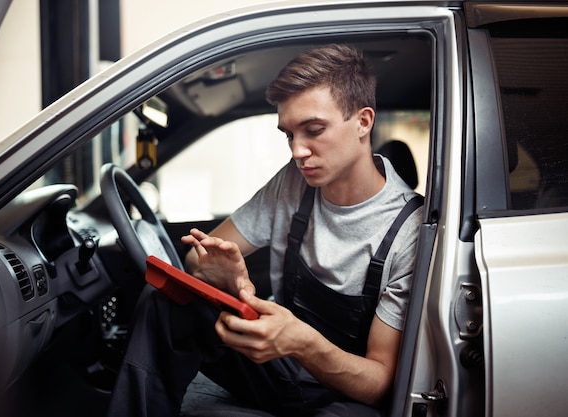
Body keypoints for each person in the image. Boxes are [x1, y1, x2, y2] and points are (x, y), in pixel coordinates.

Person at [107, 44, 423, 417]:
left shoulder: (409, 231)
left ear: (363, 121)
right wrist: (223, 278)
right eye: (289, 134)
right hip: (276, 364)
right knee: (166, 299)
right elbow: (197, 258)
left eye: (314, 130)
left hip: (344, 396)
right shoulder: (294, 182)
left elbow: (380, 384)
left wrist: (303, 343)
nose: (298, 151)